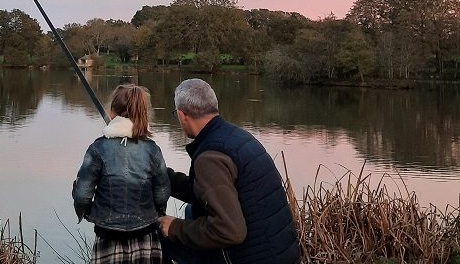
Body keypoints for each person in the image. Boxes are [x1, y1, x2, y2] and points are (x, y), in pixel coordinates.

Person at [158, 78, 300, 264]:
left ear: (181, 115)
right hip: (280, 255)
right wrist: (162, 176)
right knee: (193, 212)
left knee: (160, 238)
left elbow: (229, 230)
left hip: (248, 258)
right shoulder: (236, 137)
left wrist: (175, 228)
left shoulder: (211, 157)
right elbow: (209, 193)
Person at [73, 84, 171, 264]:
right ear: (143, 113)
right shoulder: (152, 150)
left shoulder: (98, 148)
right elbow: (162, 192)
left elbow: (82, 194)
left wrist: (86, 213)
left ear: (112, 112)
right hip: (146, 233)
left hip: (108, 235)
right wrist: (158, 212)